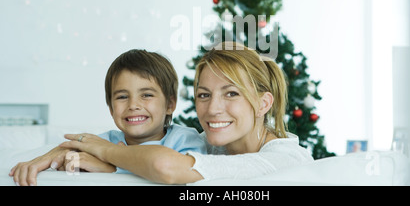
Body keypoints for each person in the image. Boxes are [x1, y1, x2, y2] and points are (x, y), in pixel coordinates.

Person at [56, 42, 313, 184]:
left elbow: (163, 165)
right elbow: (150, 151)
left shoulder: (285, 160)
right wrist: (56, 154)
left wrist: (107, 155)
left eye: (231, 93)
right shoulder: (208, 144)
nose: (212, 109)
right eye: (204, 95)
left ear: (263, 103)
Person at [9, 49, 206, 185]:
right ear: (111, 108)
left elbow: (180, 173)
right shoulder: (105, 140)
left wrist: (111, 167)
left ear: (170, 104)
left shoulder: (185, 139)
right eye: (122, 97)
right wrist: (43, 161)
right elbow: (70, 152)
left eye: (146, 95)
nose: (133, 105)